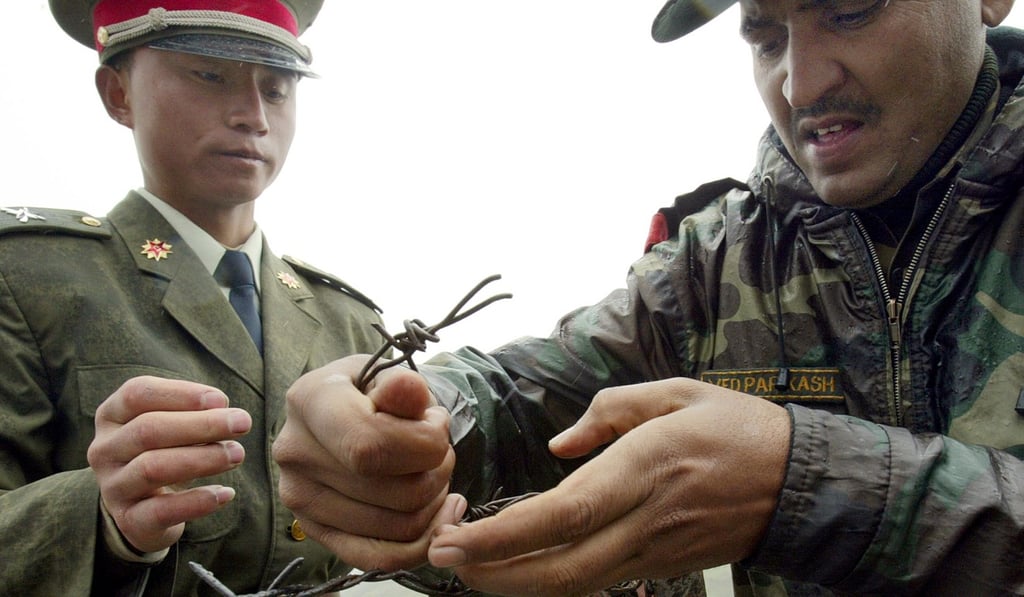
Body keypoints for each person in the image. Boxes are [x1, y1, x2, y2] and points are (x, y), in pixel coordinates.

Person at [272, 0, 1024, 594]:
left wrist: (808, 486)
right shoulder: (718, 260)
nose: (801, 83)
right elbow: (528, 394)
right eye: (764, 37)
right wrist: (412, 423)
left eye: (851, 10)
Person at [0, 1, 428, 594]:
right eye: (210, 75)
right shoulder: (24, 278)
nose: (253, 116)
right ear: (117, 93)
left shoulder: (348, 321)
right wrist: (103, 521)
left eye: (277, 89)